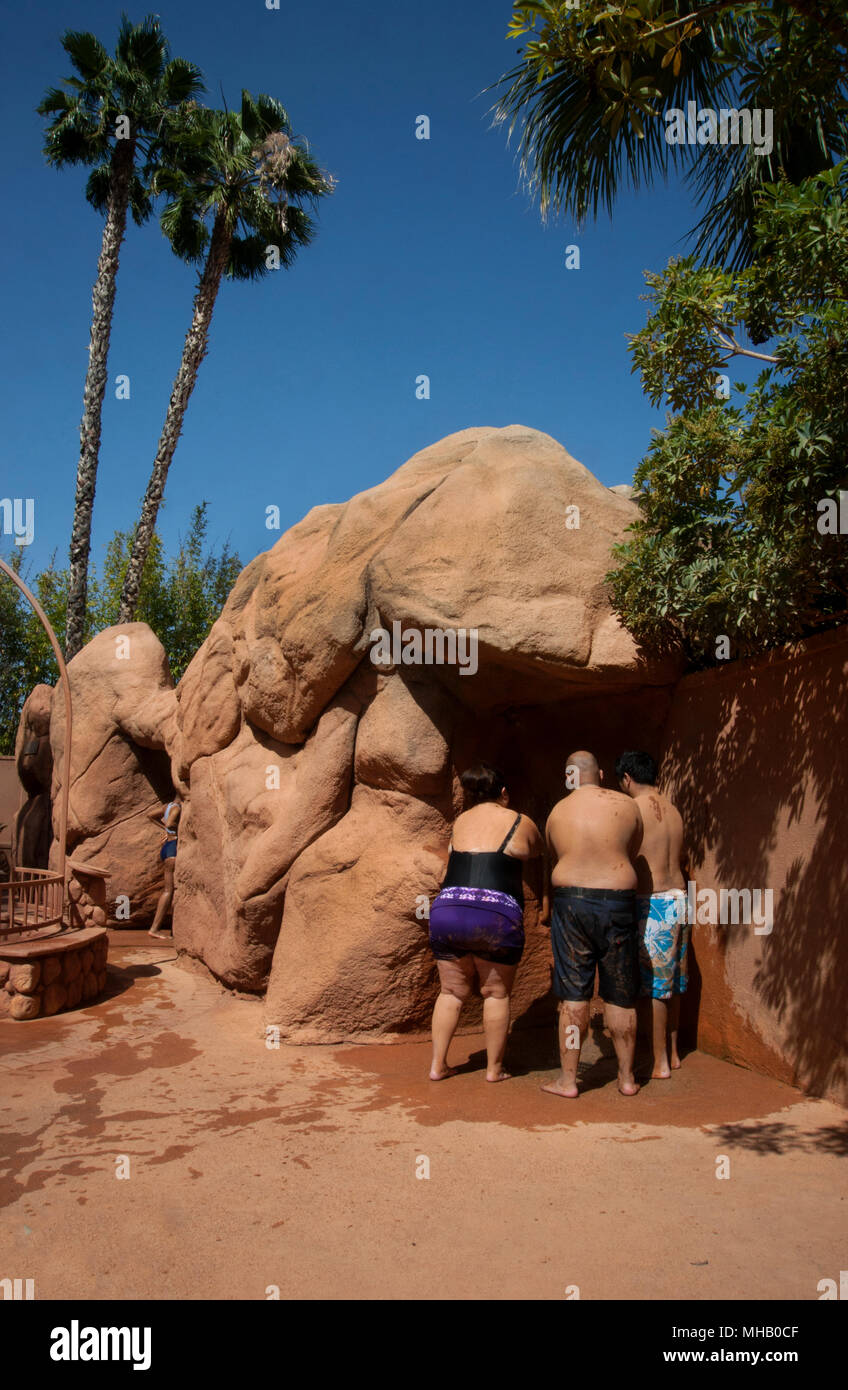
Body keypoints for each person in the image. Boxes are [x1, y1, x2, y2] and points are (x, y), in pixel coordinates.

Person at [428, 763, 545, 1083]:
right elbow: (535, 850)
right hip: (494, 914)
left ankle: (438, 1065)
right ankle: (494, 1070)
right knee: (495, 994)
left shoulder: (460, 822)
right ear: (503, 794)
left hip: (447, 909)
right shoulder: (519, 820)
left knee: (451, 991)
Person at [544, 750, 643, 1098]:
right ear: (600, 774)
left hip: (571, 904)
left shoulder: (557, 811)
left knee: (574, 995)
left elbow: (555, 855)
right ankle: (627, 1078)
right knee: (621, 995)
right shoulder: (627, 806)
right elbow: (632, 850)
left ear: (569, 776)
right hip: (617, 902)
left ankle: (568, 1081)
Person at [616, 750, 688, 1078]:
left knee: (657, 986)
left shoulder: (632, 809)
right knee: (673, 980)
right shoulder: (673, 809)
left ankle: (659, 1062)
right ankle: (671, 1053)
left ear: (627, 779)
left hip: (654, 900)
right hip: (680, 897)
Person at [146, 796, 181, 940]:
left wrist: (166, 831)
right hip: (173, 847)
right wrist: (175, 831)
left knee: (170, 890)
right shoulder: (177, 808)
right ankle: (155, 928)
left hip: (167, 847)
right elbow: (171, 823)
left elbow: (150, 815)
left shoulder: (167, 806)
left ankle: (174, 929)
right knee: (169, 890)